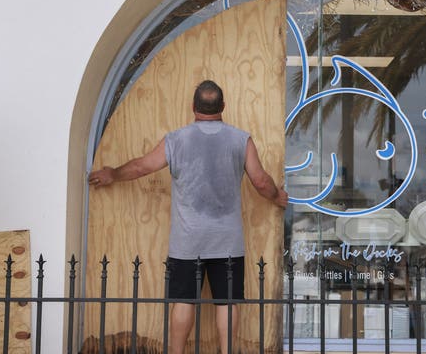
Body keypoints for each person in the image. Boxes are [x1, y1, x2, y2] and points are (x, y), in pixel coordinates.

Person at [89, 80, 288, 354]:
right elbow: (262, 182)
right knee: (228, 303)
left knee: (184, 301)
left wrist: (113, 173)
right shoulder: (241, 140)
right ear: (223, 107)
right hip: (227, 242)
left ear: (193, 107)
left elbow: (141, 166)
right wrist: (278, 197)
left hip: (187, 242)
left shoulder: (176, 140)